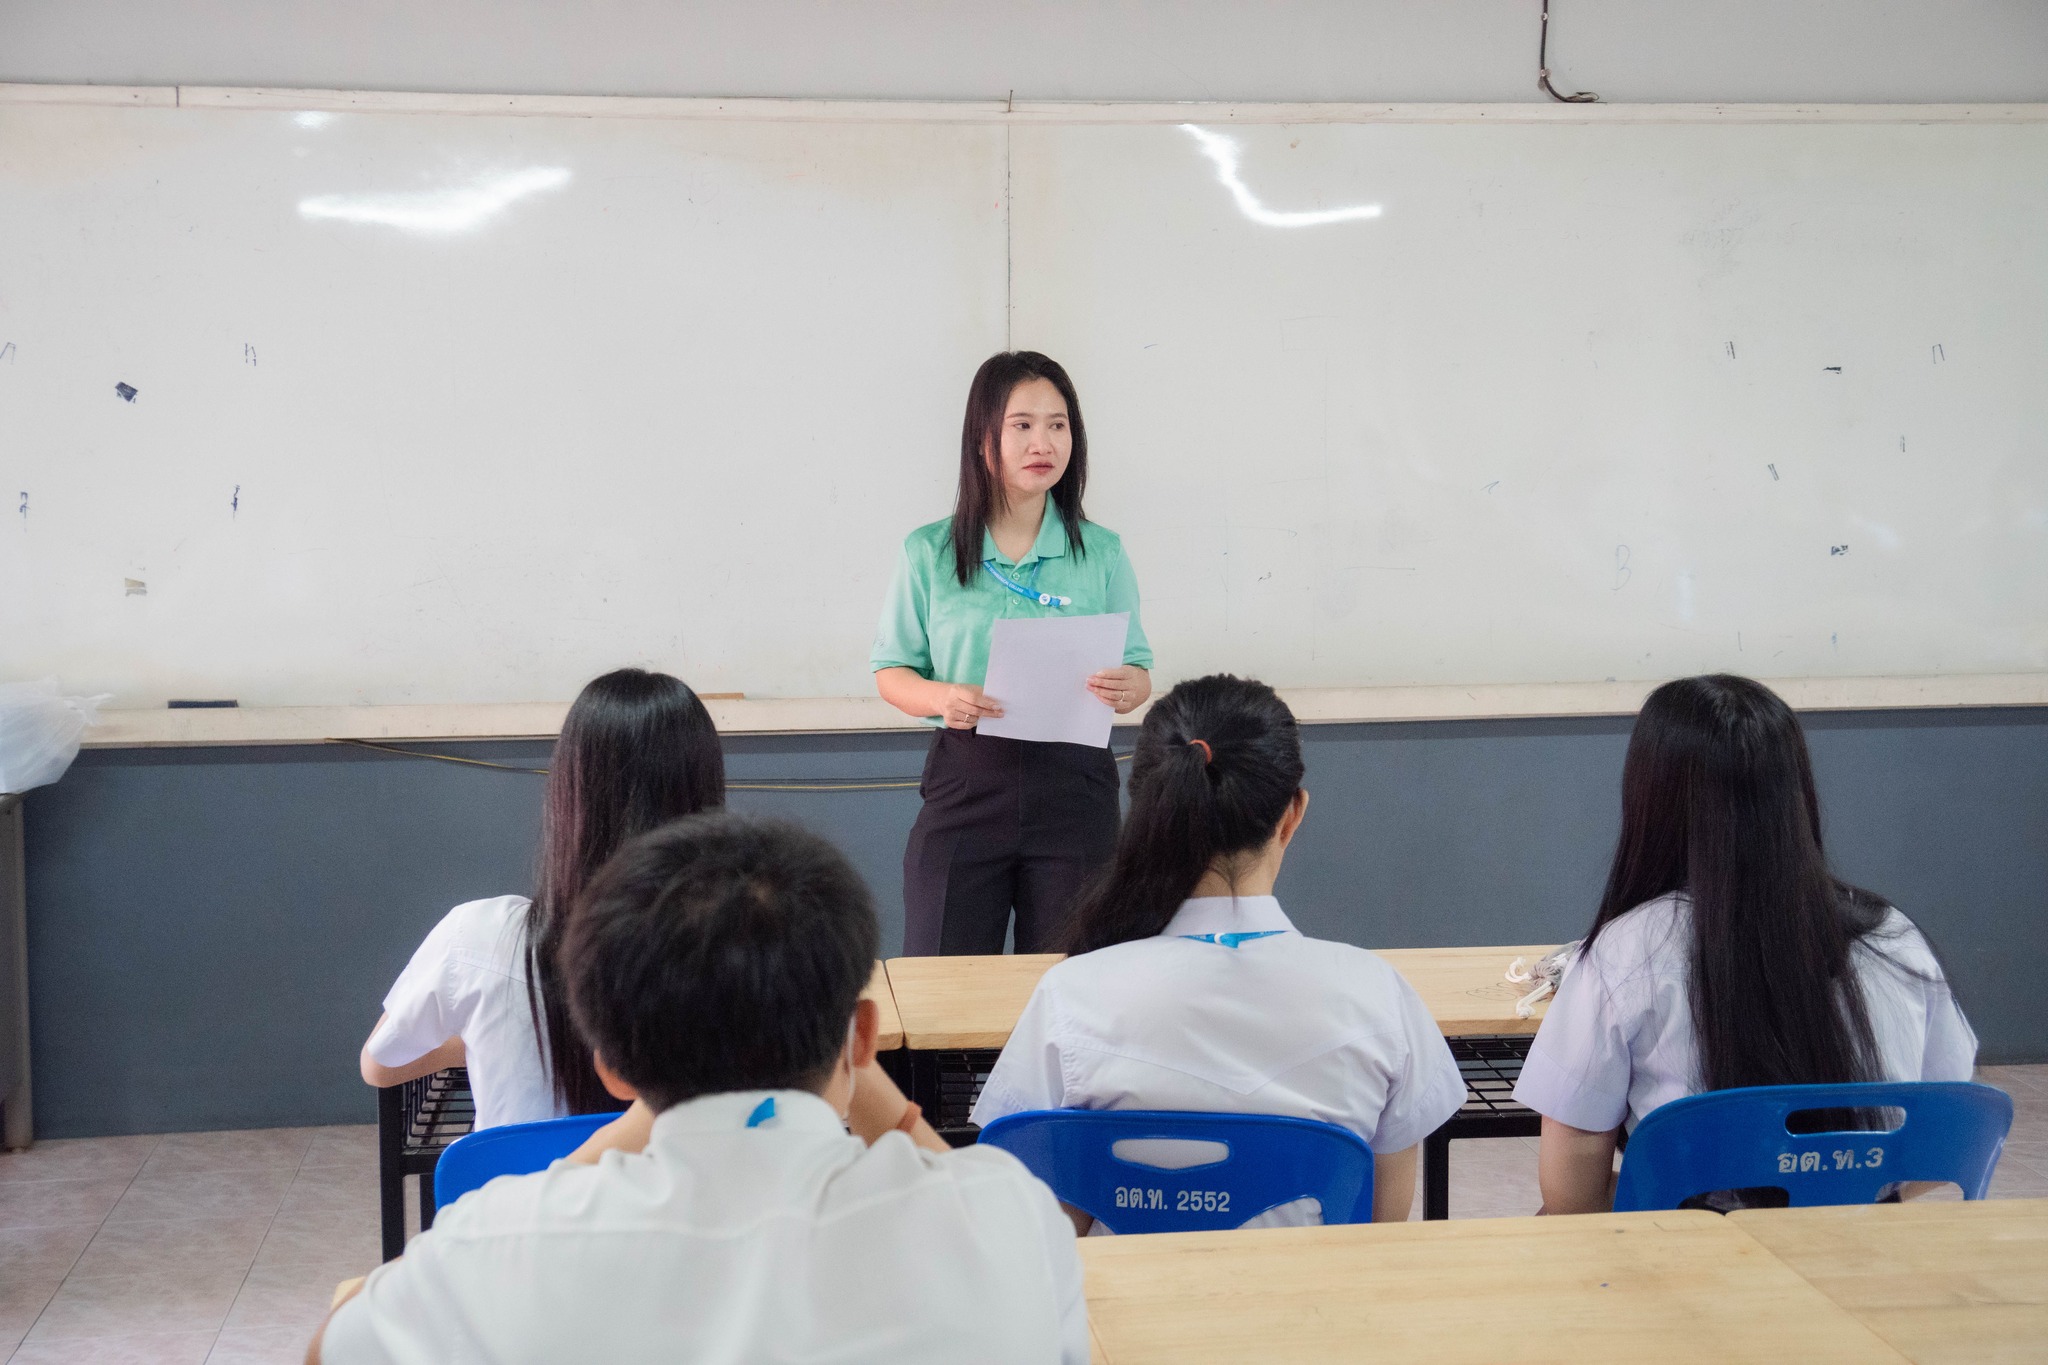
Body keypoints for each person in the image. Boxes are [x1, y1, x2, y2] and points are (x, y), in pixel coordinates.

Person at [313, 814, 1090, 1365]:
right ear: (860, 1038)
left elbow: (330, 1348)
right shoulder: (1007, 1220)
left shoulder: (496, 1245)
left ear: (614, 1067)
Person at [971, 674, 1466, 1228]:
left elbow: (1044, 1225)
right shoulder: (1378, 994)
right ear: (1292, 814)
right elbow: (1381, 1229)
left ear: (1149, 809)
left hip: (1126, 1313)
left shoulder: (1072, 995)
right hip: (1317, 1310)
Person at [1513, 674, 1978, 1213]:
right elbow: (1947, 1136)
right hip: (1861, 1260)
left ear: (1650, 799)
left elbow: (1570, 1190)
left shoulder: (1625, 951)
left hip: (1691, 1273)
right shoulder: (1891, 935)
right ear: (1795, 793)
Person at [873, 350, 1153, 955]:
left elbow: (1137, 667)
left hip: (1074, 789)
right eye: (1022, 425)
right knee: (942, 983)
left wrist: (1132, 685)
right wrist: (943, 696)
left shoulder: (1101, 552)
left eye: (1058, 424)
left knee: (1070, 983)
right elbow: (892, 671)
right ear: (984, 438)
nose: (1042, 441)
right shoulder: (930, 552)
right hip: (968, 782)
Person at [358, 668, 724, 1128]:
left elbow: (379, 1064)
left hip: (517, 1194)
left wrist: (475, 1040)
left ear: (569, 794)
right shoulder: (742, 951)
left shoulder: (477, 936)